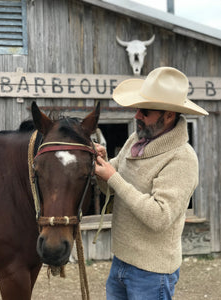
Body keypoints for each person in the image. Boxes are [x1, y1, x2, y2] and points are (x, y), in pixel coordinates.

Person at [94, 67, 208, 300]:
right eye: (137, 108)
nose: (137, 115)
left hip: (152, 273)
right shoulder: (136, 141)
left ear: (168, 116)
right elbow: (108, 187)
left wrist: (112, 176)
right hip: (121, 261)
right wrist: (102, 163)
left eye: (145, 111)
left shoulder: (182, 158)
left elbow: (159, 216)